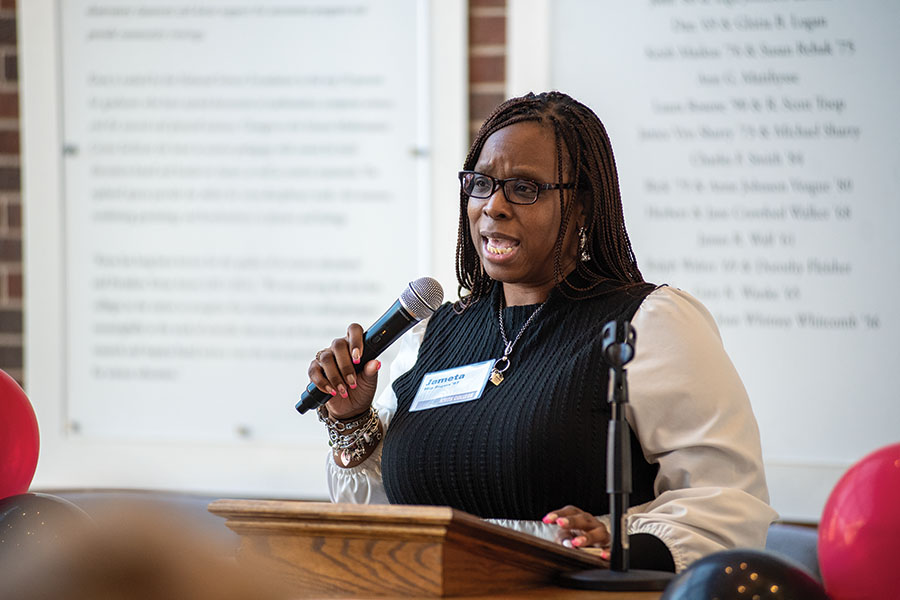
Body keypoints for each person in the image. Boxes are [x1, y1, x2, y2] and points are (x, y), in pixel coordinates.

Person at [307, 91, 777, 573]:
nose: (494, 206)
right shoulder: (432, 335)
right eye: (482, 183)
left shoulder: (644, 325)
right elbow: (379, 517)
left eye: (525, 188)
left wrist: (617, 541)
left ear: (582, 206)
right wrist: (351, 418)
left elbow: (726, 505)